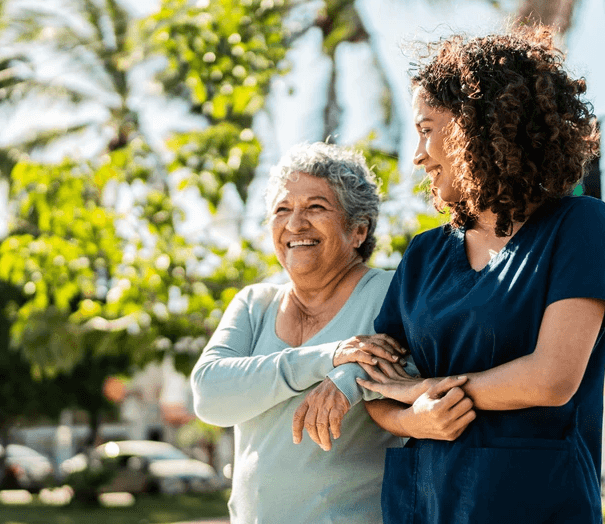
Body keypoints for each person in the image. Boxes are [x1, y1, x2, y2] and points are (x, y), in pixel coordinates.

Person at [356, 26, 605, 524]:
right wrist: (412, 420)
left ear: (472, 128)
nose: (417, 154)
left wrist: (423, 390)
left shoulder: (580, 227)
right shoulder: (423, 254)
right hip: (421, 505)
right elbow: (379, 384)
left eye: (426, 128)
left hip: (536, 504)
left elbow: (551, 380)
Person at [190, 142, 467, 524]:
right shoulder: (254, 303)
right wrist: (330, 356)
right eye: (282, 210)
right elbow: (209, 394)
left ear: (358, 229)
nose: (294, 224)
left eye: (316, 207)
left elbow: (414, 370)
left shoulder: (390, 292)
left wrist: (348, 378)